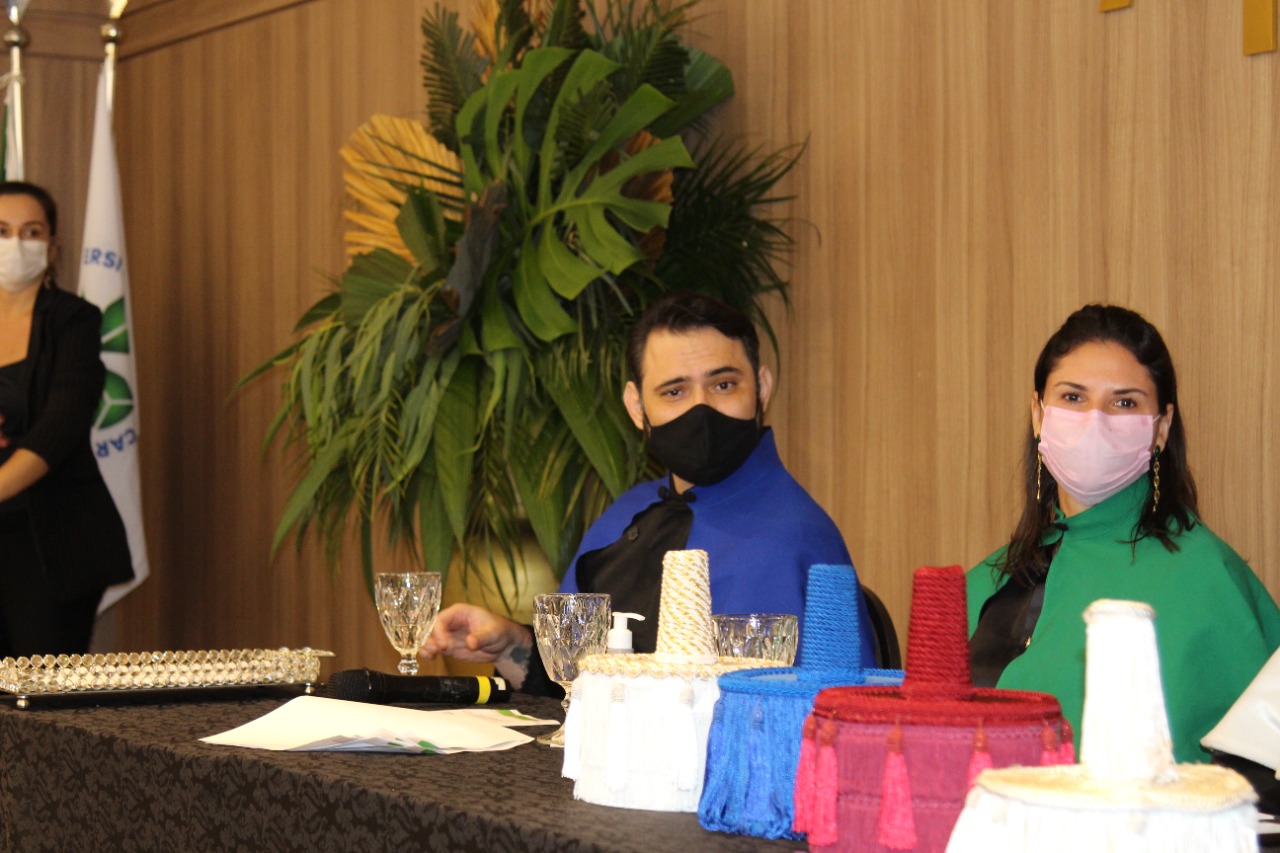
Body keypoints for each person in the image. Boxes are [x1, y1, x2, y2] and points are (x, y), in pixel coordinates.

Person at [424, 291, 877, 692]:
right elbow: (570, 685)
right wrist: (511, 643)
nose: (701, 409)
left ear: (761, 388)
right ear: (637, 407)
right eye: (674, 391)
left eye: (723, 385)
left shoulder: (801, 539)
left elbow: (839, 721)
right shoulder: (623, 516)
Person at [967, 304, 1280, 762]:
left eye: (1125, 402)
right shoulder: (983, 584)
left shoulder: (1208, 580)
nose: (1095, 420)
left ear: (1162, 427)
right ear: (1038, 414)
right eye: (1073, 397)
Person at [0, 181, 133, 657]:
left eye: (31, 232)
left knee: (41, 693)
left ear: (53, 246)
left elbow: (60, 427)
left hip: (50, 544)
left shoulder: (74, 320)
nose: (16, 244)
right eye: (2, 230)